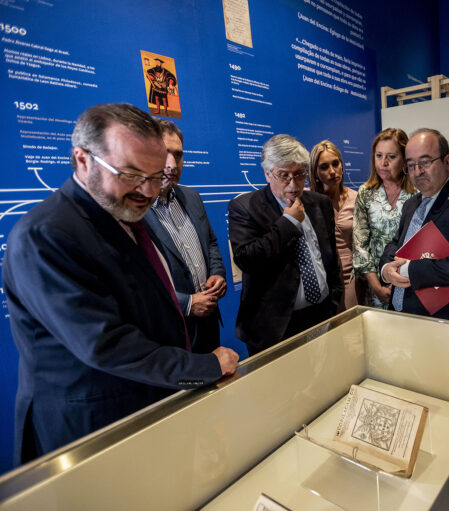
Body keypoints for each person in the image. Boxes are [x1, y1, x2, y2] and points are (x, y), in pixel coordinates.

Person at [3, 103, 239, 465]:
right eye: (130, 174)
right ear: (83, 160)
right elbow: (106, 343)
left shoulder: (122, 211)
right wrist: (202, 367)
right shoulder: (45, 235)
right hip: (92, 430)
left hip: (148, 407)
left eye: (157, 175)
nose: (147, 190)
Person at [228, 134, 342, 356]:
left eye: (299, 175)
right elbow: (247, 259)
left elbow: (330, 259)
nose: (293, 184)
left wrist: (334, 302)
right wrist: (288, 222)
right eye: (284, 176)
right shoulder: (245, 207)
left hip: (321, 315)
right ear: (267, 174)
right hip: (276, 326)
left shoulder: (320, 203)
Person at [380, 128, 449, 323]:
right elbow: (396, 244)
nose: (417, 172)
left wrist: (408, 270)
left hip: (447, 321)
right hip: (403, 314)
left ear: (447, 162)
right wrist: (387, 269)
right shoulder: (411, 204)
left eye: (425, 162)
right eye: (411, 165)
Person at [144, 120, 227, 354]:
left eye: (178, 155)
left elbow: (210, 242)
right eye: (163, 153)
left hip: (209, 323)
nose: (171, 165)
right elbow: (138, 283)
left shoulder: (192, 197)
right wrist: (188, 304)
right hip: (170, 334)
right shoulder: (134, 211)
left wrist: (217, 275)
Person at [352, 128, 416, 308]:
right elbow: (360, 245)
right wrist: (376, 286)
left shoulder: (417, 193)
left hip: (408, 279)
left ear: (404, 158)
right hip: (373, 284)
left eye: (391, 157)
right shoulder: (366, 192)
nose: (383, 163)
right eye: (379, 155)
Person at [308, 140, 361, 311]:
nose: (332, 171)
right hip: (321, 278)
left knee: (353, 331)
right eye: (324, 167)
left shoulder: (357, 198)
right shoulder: (306, 201)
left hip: (352, 276)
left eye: (335, 163)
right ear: (315, 172)